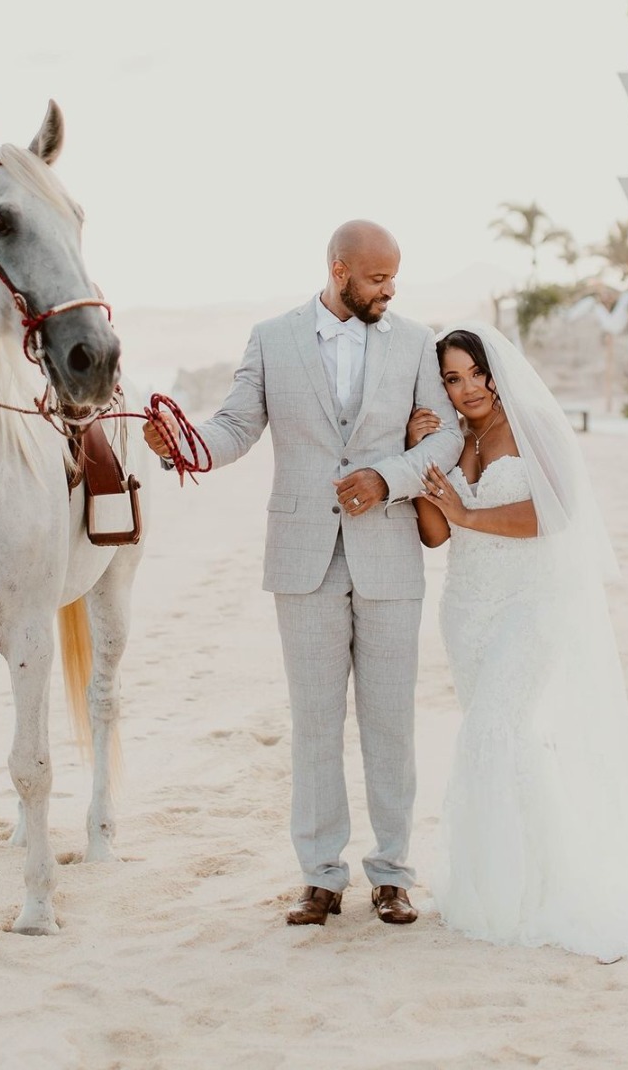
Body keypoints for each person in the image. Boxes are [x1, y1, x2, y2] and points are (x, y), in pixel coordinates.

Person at [143, 221, 462, 926]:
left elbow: (446, 432)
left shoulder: (415, 340)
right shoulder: (272, 338)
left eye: (395, 278)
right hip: (302, 558)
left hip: (389, 554)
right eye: (378, 278)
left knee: (391, 725)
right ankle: (320, 876)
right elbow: (234, 426)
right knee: (315, 724)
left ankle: (392, 874)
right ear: (340, 270)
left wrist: (388, 477)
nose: (391, 289)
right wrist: (182, 448)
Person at [409, 320, 628, 961]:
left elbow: (555, 513)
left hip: (531, 605)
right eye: (452, 379)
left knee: (499, 728)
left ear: (496, 370)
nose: (467, 389)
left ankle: (544, 892)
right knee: (499, 741)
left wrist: (468, 513)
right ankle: (505, 883)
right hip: (467, 608)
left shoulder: (534, 427)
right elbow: (436, 534)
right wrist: (418, 453)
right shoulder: (453, 439)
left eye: (475, 373)